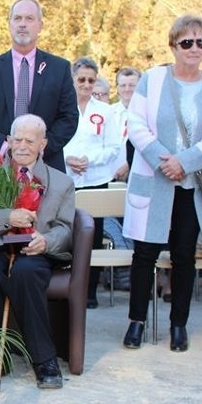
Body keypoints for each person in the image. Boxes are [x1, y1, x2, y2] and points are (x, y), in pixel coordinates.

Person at [121, 14, 202, 352]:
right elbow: (136, 122)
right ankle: (136, 321)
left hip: (190, 183)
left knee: (185, 256)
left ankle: (178, 325)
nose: (194, 49)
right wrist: (162, 158)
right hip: (154, 180)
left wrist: (187, 161)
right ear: (173, 46)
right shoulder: (152, 80)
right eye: (187, 42)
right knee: (145, 253)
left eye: (201, 42)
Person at [0, 114, 74, 389]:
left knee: (26, 273)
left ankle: (44, 360)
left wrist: (46, 242)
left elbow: (66, 229)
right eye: (17, 140)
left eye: (30, 140)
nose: (23, 146)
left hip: (33, 253)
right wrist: (7, 217)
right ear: (8, 141)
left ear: (43, 144)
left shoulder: (61, 183)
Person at [0, 0, 78, 172]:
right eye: (17, 18)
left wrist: (38, 147)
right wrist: (7, 147)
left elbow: (69, 118)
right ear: (9, 24)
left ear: (40, 25)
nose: (22, 24)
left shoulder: (59, 68)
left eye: (29, 18)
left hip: (46, 167)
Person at [64, 57, 122, 309]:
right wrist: (68, 159)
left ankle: (90, 289)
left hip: (96, 177)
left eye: (91, 80)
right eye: (81, 79)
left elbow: (113, 147)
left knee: (93, 234)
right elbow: (54, 140)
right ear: (73, 79)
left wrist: (89, 160)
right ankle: (68, 283)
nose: (86, 84)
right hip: (66, 177)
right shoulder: (62, 107)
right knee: (67, 233)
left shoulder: (105, 111)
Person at [111, 67, 142, 182]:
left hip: (136, 173)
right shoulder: (108, 113)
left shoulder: (147, 114)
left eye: (132, 85)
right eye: (123, 85)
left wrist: (129, 164)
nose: (127, 89)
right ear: (117, 88)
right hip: (109, 174)